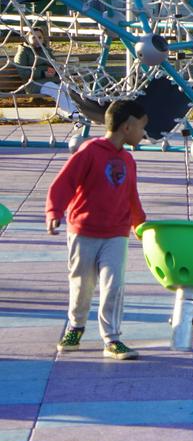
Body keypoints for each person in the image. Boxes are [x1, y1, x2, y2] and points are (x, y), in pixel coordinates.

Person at [45, 97, 147, 361]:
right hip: (84, 231)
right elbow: (64, 183)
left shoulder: (128, 159)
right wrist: (54, 211)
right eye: (142, 127)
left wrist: (140, 224)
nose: (144, 134)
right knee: (82, 284)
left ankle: (111, 338)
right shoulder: (89, 152)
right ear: (128, 127)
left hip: (116, 233)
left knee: (114, 285)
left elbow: (131, 195)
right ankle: (75, 326)